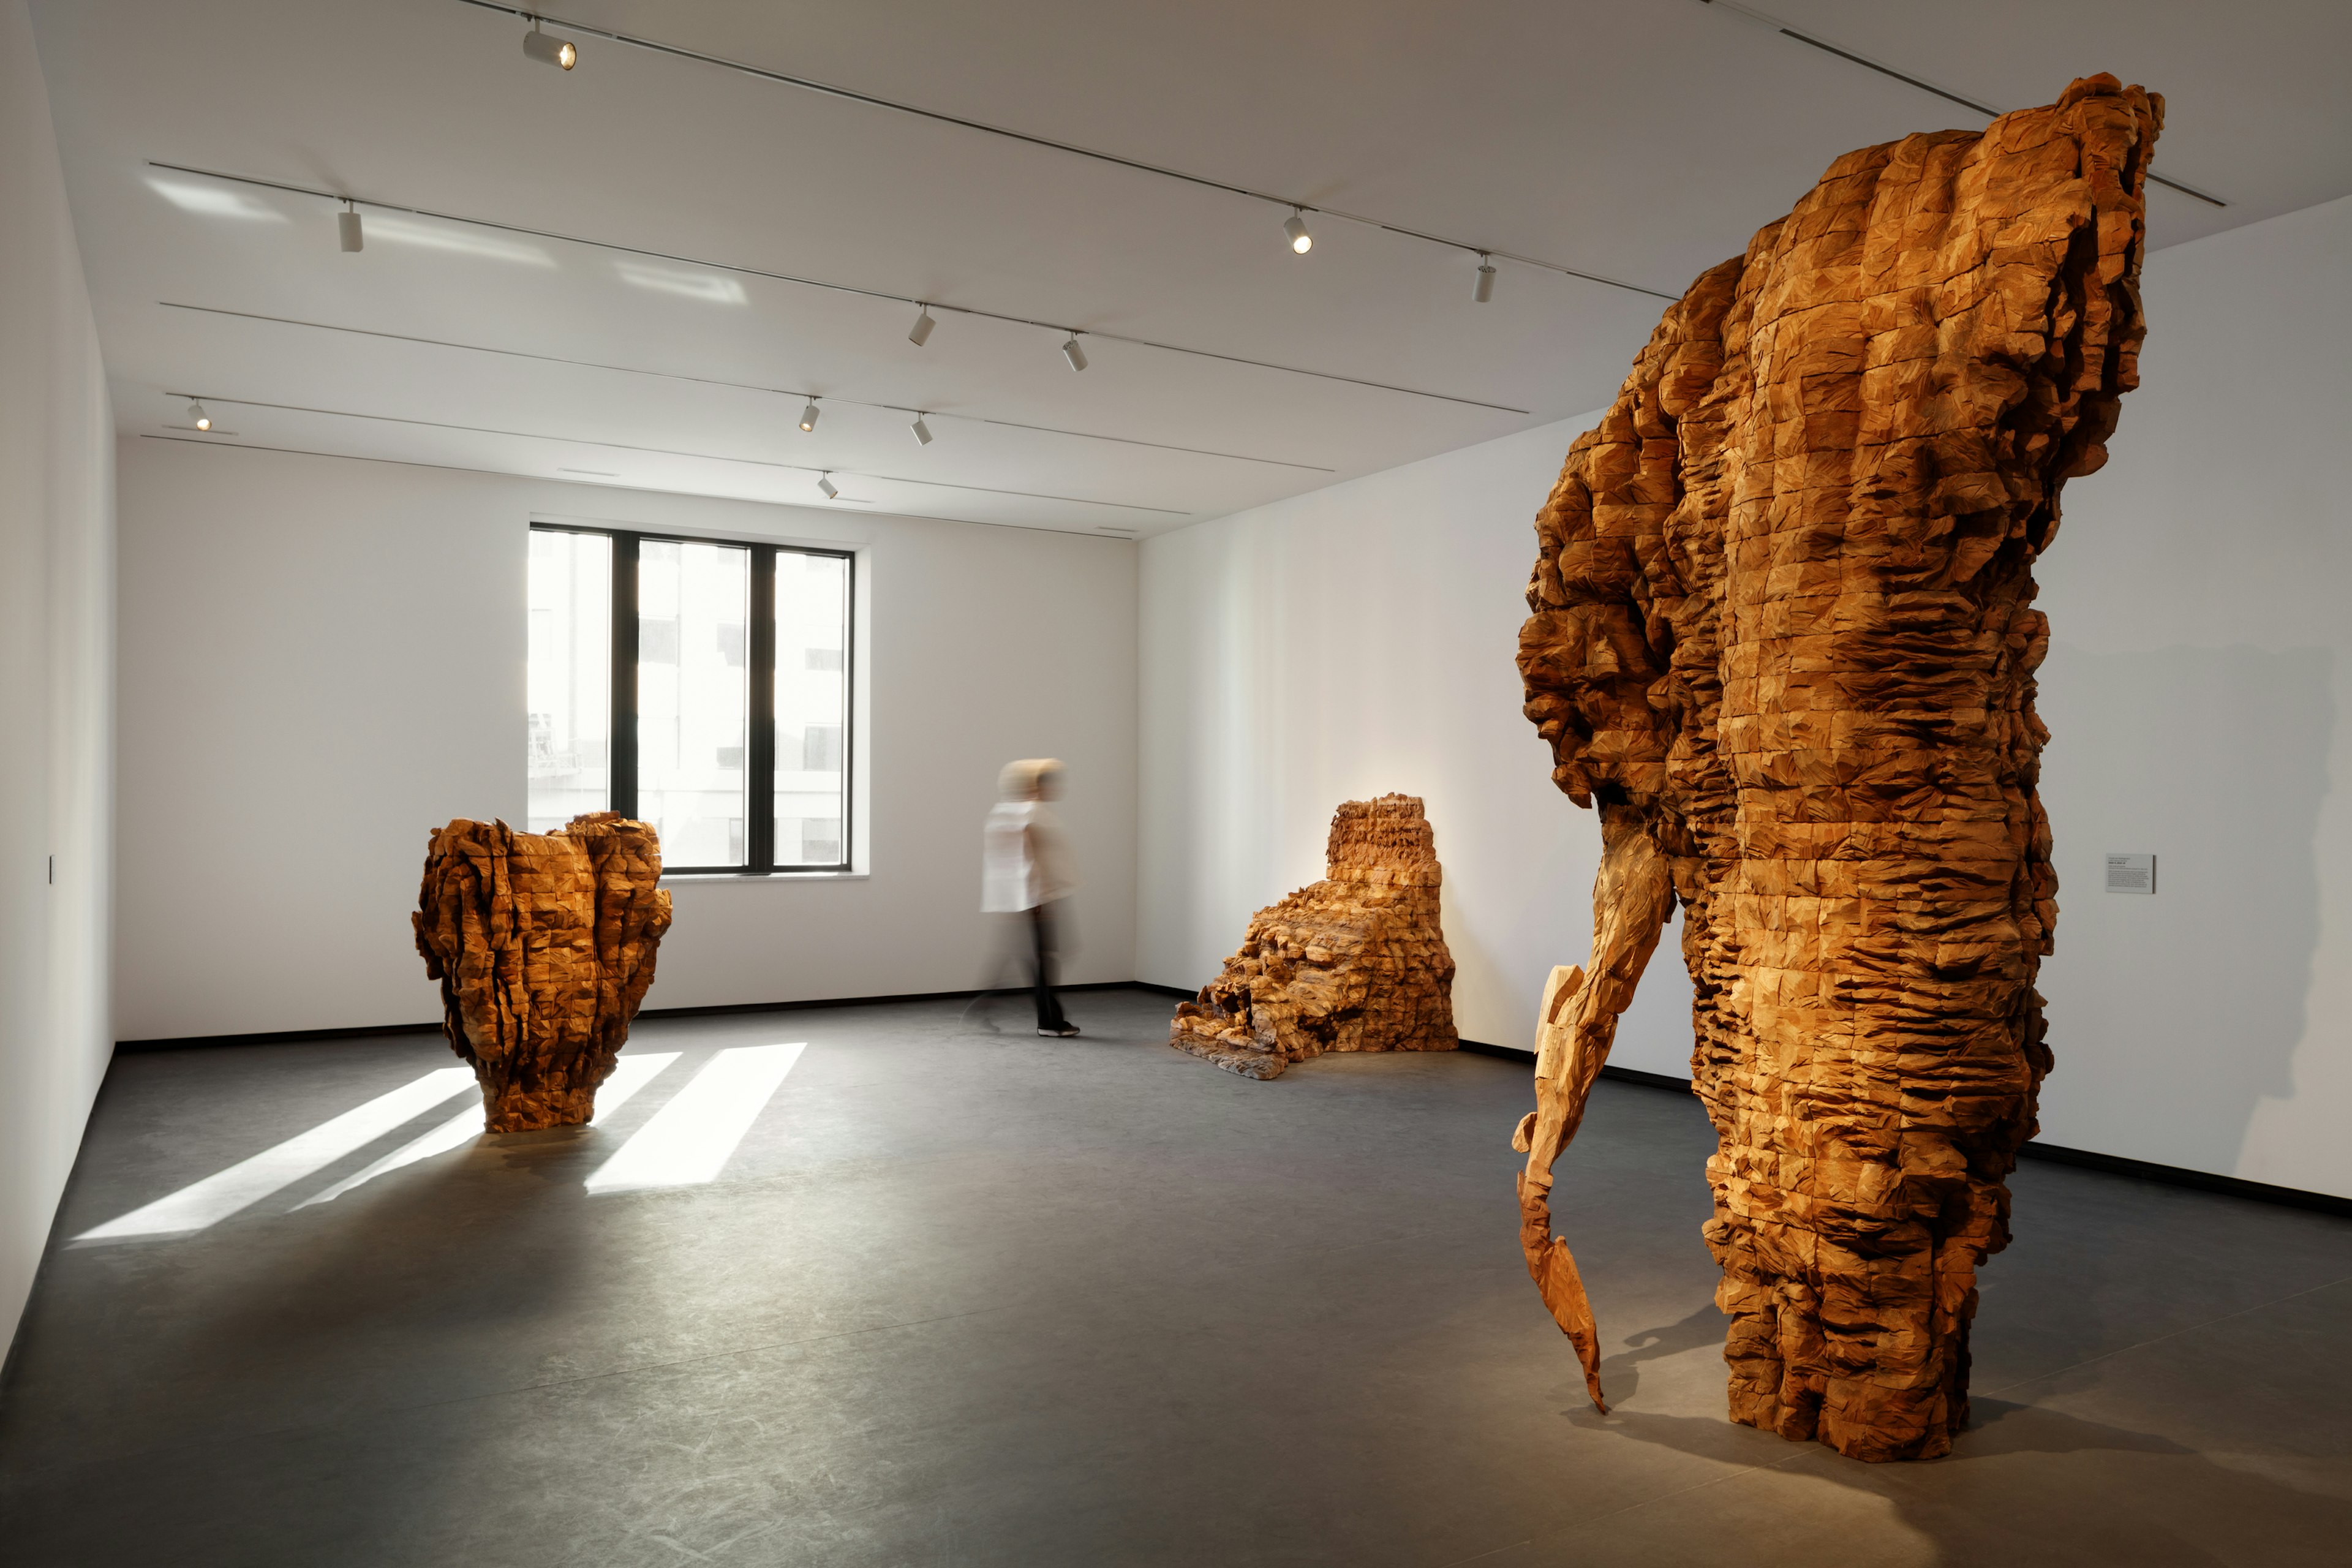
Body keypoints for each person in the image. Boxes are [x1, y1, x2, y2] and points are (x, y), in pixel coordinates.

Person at [979, 758, 1080, 1037]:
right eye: (1049, 782)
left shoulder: (1002, 812)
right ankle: (1050, 1022)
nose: (1055, 788)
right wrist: (1040, 901)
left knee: (1025, 959)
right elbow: (1030, 859)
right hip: (1035, 900)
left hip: (1014, 900)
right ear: (1036, 784)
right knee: (1042, 961)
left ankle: (981, 1009)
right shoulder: (1031, 813)